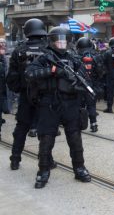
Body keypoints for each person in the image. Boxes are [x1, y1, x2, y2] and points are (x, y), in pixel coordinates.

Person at [25, 26, 91, 188]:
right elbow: (29, 74)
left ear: (69, 42)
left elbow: (86, 79)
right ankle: (43, 171)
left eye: (64, 41)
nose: (61, 44)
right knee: (46, 139)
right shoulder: (44, 58)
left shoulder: (74, 59)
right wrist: (53, 70)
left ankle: (79, 168)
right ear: (52, 41)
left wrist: (77, 84)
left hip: (71, 104)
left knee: (75, 139)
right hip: (49, 104)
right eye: (58, 41)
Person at [6, 19, 49, 170]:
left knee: (21, 127)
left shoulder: (19, 50)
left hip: (26, 95)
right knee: (45, 130)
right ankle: (46, 161)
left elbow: (11, 76)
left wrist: (20, 89)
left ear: (27, 31)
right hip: (45, 96)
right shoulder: (48, 49)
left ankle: (15, 159)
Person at [76, 37, 104, 132]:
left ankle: (80, 124)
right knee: (91, 105)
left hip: (79, 84)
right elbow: (101, 72)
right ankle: (94, 124)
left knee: (79, 105)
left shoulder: (75, 55)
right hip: (92, 85)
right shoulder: (96, 56)